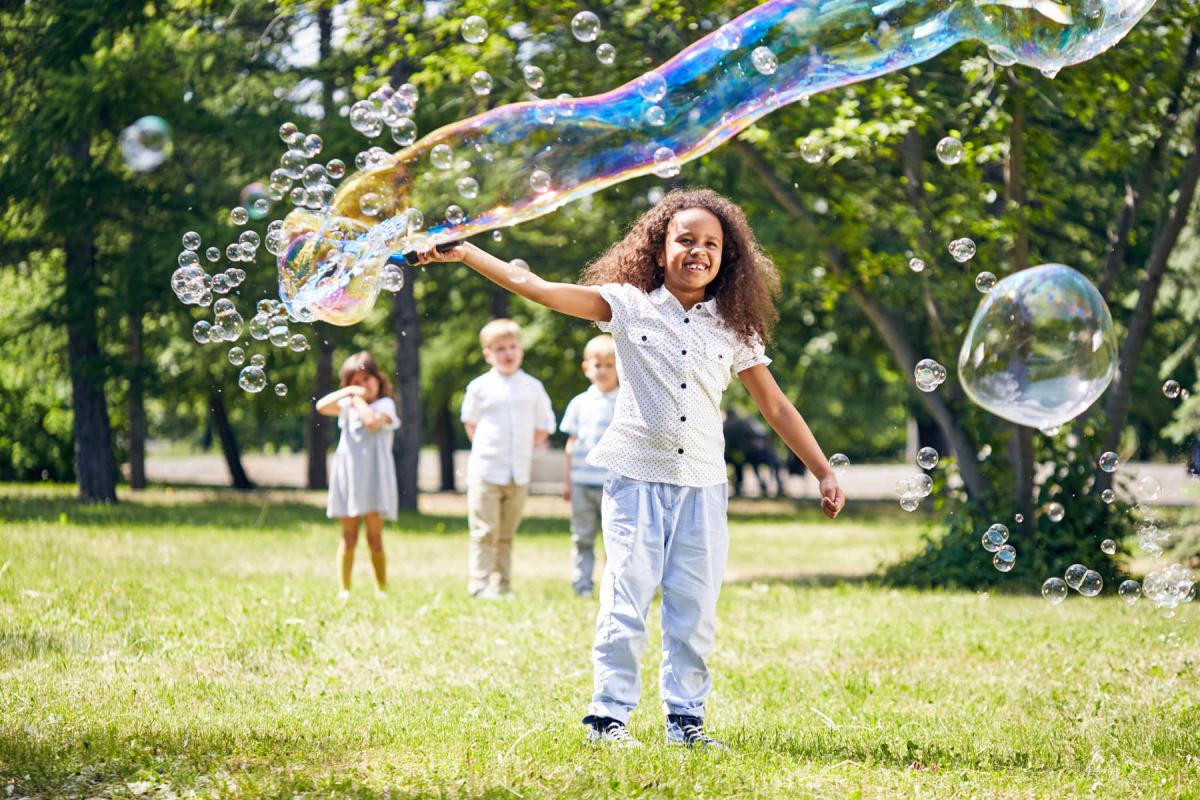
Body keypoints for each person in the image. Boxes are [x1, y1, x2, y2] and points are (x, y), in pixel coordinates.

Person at [415, 188, 845, 750]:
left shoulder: (734, 327)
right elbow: (536, 288)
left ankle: (686, 721)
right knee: (627, 597)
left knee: (694, 607)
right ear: (658, 246)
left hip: (704, 486)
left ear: (727, 257)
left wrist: (822, 470)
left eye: (711, 244)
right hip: (635, 478)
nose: (699, 251)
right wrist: (466, 253)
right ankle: (607, 718)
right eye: (685, 239)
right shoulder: (627, 304)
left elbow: (777, 406)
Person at [460, 318, 556, 600]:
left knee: (506, 534)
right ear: (488, 353)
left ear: (521, 349)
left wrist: (523, 450)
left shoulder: (532, 387)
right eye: (500, 349)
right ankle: (479, 585)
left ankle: (502, 585)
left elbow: (543, 426)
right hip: (487, 470)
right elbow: (472, 425)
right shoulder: (479, 387)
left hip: (519, 473)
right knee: (484, 531)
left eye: (512, 346)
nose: (508, 353)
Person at [315, 351, 399, 599]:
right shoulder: (348, 403)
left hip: (375, 477)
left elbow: (372, 422)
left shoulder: (385, 405)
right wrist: (348, 394)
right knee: (348, 536)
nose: (363, 387)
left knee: (374, 536)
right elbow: (321, 406)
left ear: (379, 379)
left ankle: (381, 589)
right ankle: (344, 590)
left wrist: (356, 399)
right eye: (356, 382)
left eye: (367, 380)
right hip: (350, 476)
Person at [560, 334, 619, 597]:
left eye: (610, 365)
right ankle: (582, 585)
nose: (604, 371)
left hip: (614, 484)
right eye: (598, 365)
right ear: (587, 368)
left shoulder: (626, 402)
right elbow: (571, 445)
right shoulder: (579, 403)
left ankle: (614, 587)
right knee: (582, 537)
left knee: (615, 540)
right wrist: (567, 482)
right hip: (582, 483)